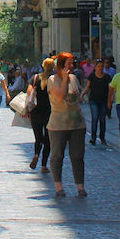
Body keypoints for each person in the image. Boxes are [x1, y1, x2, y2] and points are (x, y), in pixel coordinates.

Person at [47, 53, 87, 197]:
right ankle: (59, 186)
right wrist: (64, 79)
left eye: (72, 63)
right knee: (57, 156)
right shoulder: (52, 79)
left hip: (77, 123)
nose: (72, 66)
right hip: (58, 124)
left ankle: (80, 186)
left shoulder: (75, 78)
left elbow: (77, 95)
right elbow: (59, 96)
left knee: (77, 156)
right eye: (69, 63)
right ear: (61, 65)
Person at [27, 58, 55, 173]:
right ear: (53, 67)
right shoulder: (54, 79)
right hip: (50, 112)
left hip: (36, 112)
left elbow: (29, 92)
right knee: (48, 140)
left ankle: (37, 154)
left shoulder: (35, 78)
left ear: (43, 66)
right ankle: (44, 165)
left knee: (38, 138)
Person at [81, 60, 111, 145]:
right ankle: (93, 137)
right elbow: (88, 88)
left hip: (103, 100)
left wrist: (110, 98)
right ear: (96, 67)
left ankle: (102, 136)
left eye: (102, 66)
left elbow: (110, 89)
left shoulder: (107, 77)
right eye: (99, 66)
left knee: (102, 119)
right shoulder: (92, 76)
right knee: (94, 117)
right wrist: (82, 94)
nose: (100, 68)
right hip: (93, 100)